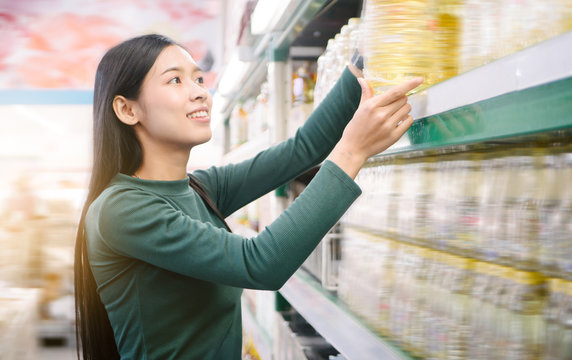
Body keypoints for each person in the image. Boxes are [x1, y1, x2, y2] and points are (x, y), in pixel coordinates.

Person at [74, 33, 422, 360]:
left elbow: (304, 149)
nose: (199, 92)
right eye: (175, 80)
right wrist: (352, 152)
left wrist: (369, 48)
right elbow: (259, 264)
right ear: (127, 110)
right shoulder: (120, 209)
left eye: (198, 79)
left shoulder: (198, 189)